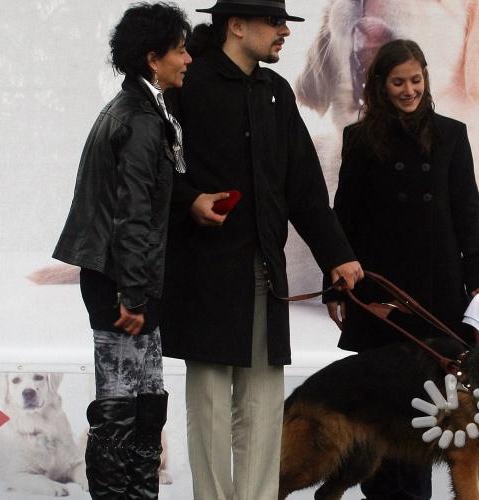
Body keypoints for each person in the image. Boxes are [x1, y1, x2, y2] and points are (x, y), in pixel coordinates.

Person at [158, 1, 363, 499]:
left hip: (264, 270)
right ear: (236, 25)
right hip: (203, 272)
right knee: (208, 401)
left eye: (284, 24)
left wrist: (338, 255)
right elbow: (154, 167)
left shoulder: (277, 92)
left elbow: (305, 188)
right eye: (274, 23)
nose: (283, 33)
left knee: (263, 404)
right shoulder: (189, 83)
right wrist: (190, 202)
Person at [325, 39, 479, 500]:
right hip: (378, 295)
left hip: (436, 295)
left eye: (416, 80)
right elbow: (345, 220)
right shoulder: (359, 140)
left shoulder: (452, 135)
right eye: (398, 82)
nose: (409, 90)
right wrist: (336, 288)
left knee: (427, 412)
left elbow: (466, 216)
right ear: (380, 85)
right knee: (380, 407)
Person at [52, 2, 191, 498]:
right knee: (120, 406)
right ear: (153, 58)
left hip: (126, 278)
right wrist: (134, 295)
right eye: (180, 50)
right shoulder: (139, 118)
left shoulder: (142, 109)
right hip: (120, 282)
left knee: (147, 403)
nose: (188, 59)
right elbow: (132, 215)